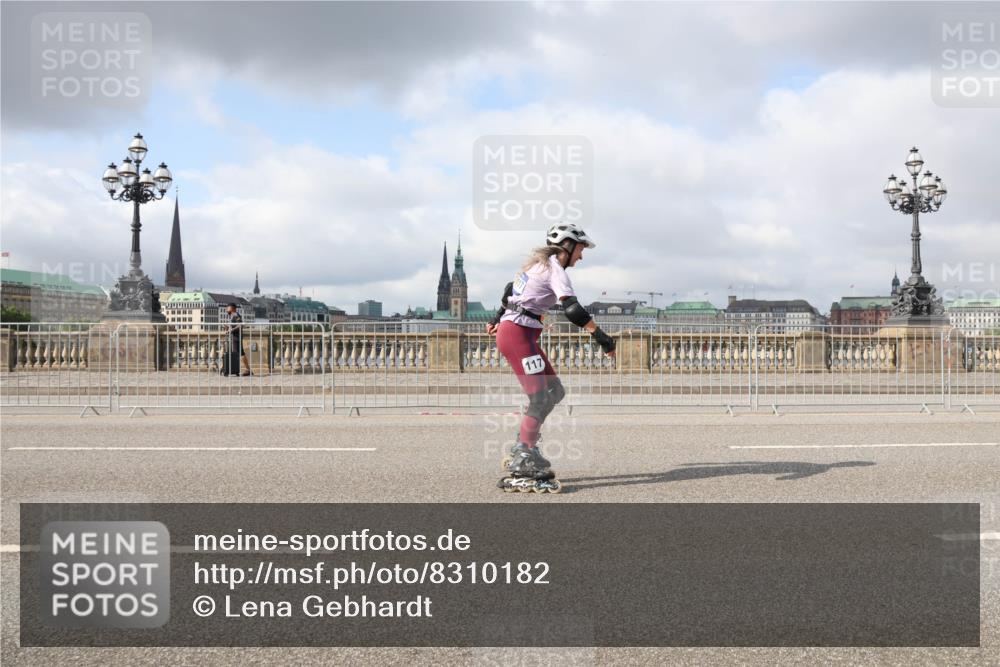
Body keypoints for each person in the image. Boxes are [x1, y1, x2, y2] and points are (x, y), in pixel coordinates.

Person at [486, 222, 616, 493]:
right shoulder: (554, 268)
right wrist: (602, 338)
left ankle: (524, 443)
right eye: (580, 250)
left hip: (520, 334)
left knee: (555, 391)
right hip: (517, 336)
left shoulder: (536, 265)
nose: (581, 256)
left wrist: (496, 317)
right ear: (567, 247)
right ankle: (524, 454)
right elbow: (572, 309)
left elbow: (510, 289)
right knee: (540, 397)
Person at [222, 303, 252, 377]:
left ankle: (241, 369)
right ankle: (246, 369)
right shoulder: (233, 316)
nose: (226, 309)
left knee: (238, 354)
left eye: (227, 308)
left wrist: (231, 330)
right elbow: (235, 326)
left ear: (232, 308)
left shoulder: (236, 315)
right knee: (240, 353)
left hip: (237, 337)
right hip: (235, 337)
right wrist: (227, 328)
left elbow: (240, 325)